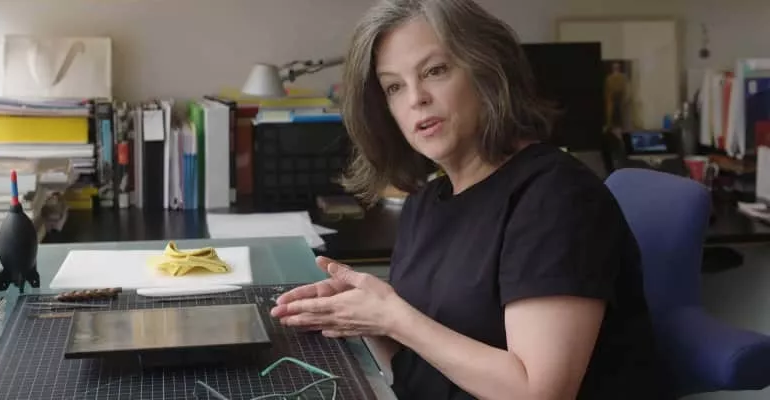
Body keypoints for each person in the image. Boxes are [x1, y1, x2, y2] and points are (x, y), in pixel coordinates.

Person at [270, 0, 674, 399]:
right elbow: (420, 368)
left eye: (435, 71)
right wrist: (364, 316)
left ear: (487, 71)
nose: (415, 98)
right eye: (394, 86)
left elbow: (537, 392)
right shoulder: (425, 203)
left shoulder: (557, 198)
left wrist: (395, 318)